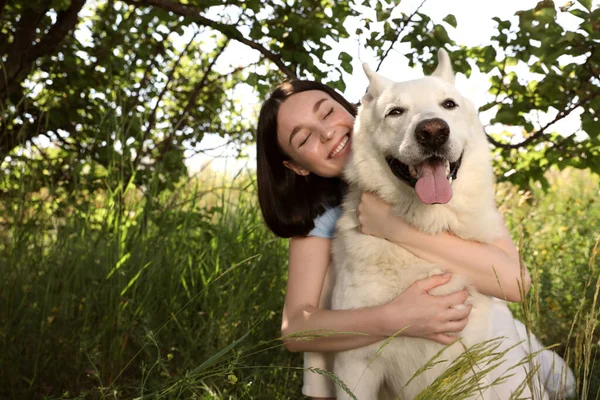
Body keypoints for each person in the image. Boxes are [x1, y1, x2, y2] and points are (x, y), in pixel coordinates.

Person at [256, 80, 574, 399]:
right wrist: (397, 318)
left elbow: (514, 283)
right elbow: (297, 329)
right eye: (305, 137)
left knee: (559, 379)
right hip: (395, 356)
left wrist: (395, 228)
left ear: (357, 110)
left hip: (487, 332)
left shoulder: (440, 165)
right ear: (296, 166)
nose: (326, 133)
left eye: (327, 113)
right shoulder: (322, 220)